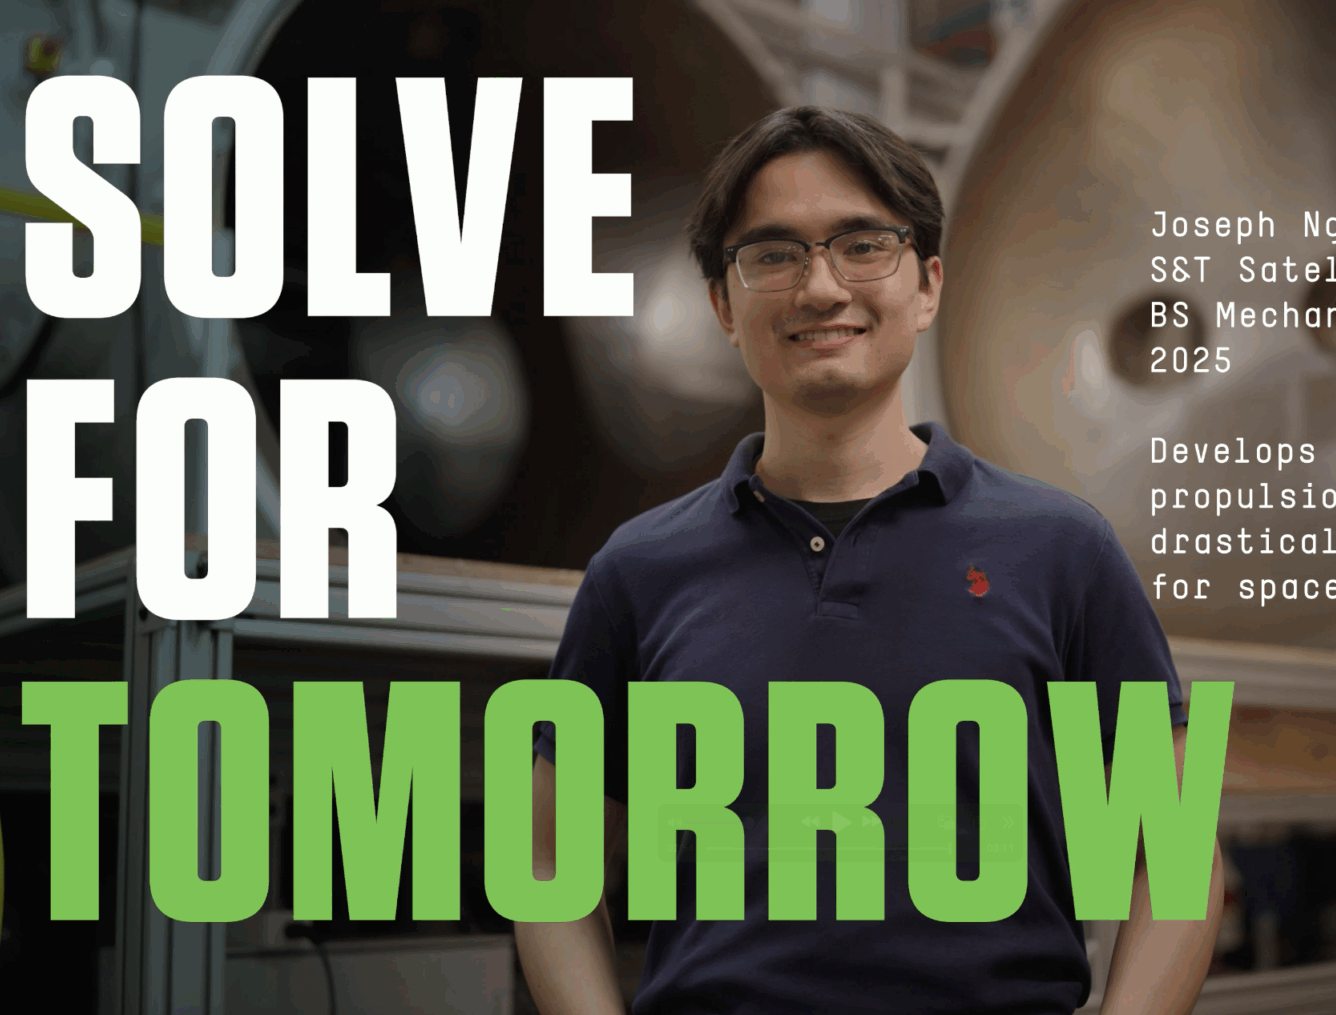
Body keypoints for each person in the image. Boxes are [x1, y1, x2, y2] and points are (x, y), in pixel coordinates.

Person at [512, 105, 1219, 1015]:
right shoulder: (638, 573)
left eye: (861, 245)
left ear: (925, 286)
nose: (820, 288)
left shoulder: (1061, 550)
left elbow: (1178, 853)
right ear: (724, 305)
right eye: (773, 254)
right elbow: (548, 865)